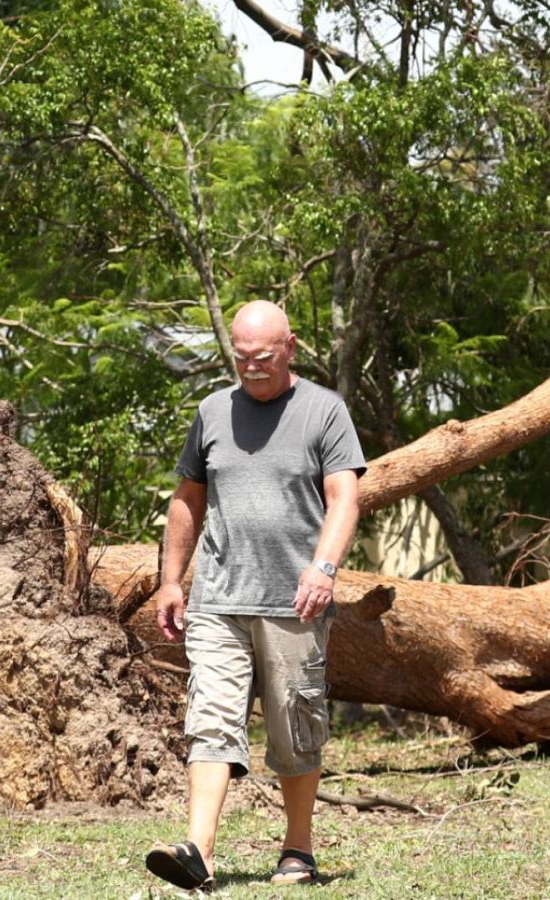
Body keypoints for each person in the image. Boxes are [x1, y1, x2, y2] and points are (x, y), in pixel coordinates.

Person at [143, 300, 365, 891]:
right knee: (209, 716)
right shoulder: (213, 412)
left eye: (263, 358)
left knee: (295, 727)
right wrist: (171, 580)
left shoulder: (325, 411)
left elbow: (345, 499)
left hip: (296, 601)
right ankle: (200, 853)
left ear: (290, 347)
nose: (252, 369)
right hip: (218, 597)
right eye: (241, 359)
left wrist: (324, 569)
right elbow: (187, 499)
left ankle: (298, 848)